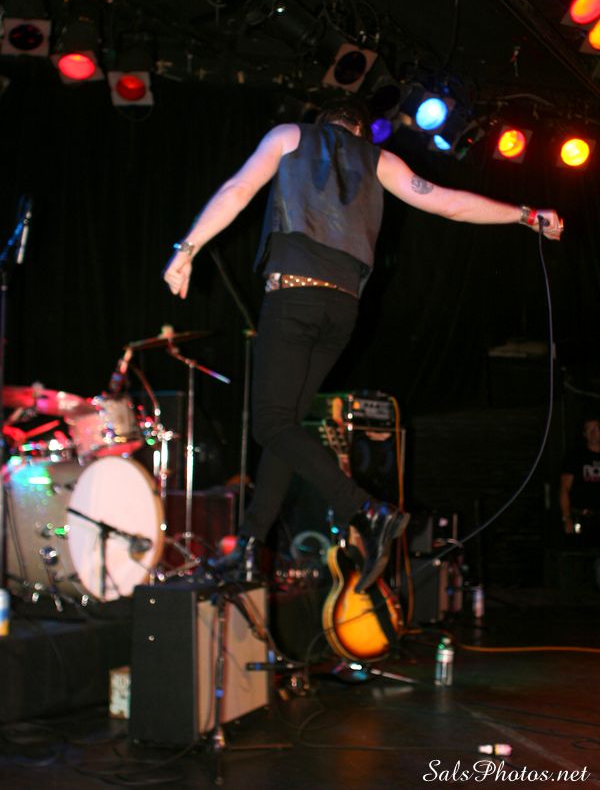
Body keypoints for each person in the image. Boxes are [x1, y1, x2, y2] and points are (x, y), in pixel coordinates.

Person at [163, 99, 563, 592]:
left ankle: (367, 511)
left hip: (294, 298)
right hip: (342, 310)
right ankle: (249, 547)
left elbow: (238, 189)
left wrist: (187, 248)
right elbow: (449, 203)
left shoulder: (290, 135)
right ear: (359, 130)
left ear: (323, 122)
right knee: (284, 427)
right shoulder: (382, 161)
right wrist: (527, 215)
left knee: (270, 423)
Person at [559, 416, 600, 546]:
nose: (593, 433)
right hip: (582, 518)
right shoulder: (575, 456)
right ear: (584, 434)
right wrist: (567, 518)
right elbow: (564, 488)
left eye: (596, 429)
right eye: (589, 429)